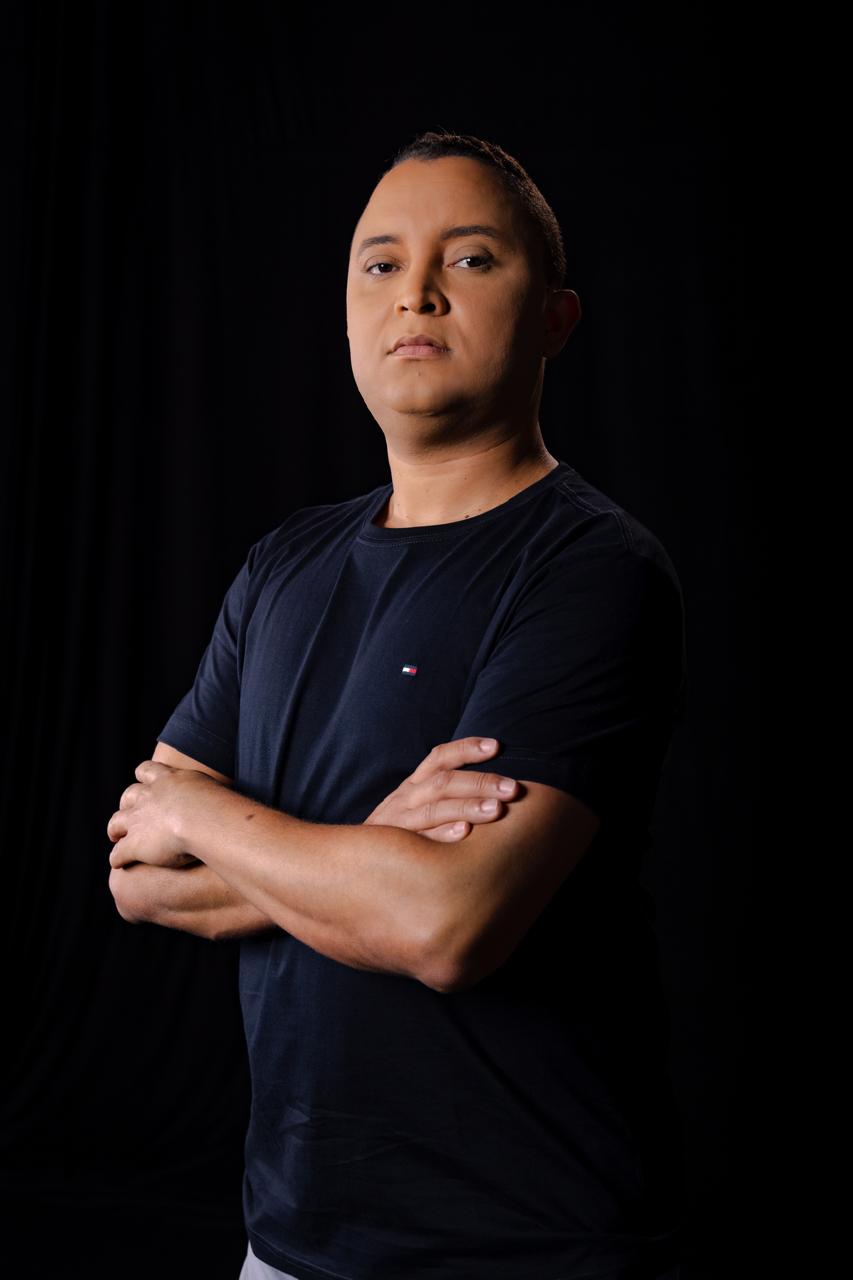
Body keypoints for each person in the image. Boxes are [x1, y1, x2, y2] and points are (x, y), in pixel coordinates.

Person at [107, 130, 688, 1280]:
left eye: (468, 259)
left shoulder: (591, 570)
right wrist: (374, 847)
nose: (414, 290)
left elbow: (445, 924)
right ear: (346, 314)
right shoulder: (282, 565)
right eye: (380, 263)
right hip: (288, 1239)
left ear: (555, 318)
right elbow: (138, 873)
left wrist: (203, 812)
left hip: (526, 1244)